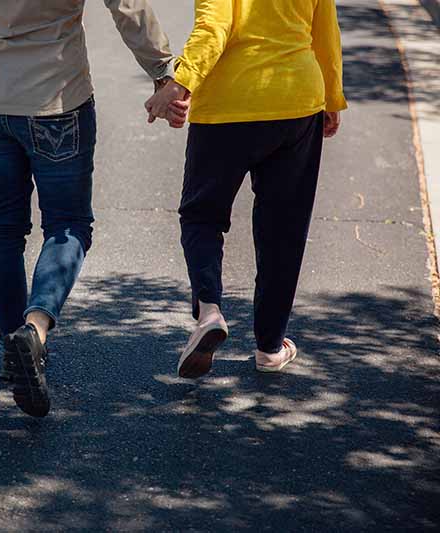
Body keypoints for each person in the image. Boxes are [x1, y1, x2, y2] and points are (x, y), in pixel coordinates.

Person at [0, 0, 188, 417]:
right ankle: (34, 330)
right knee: (67, 226)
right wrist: (164, 72)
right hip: (57, 101)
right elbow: (128, 7)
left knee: (3, 227)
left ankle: (13, 350)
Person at [145, 0, 347, 378]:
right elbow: (326, 34)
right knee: (283, 230)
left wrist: (181, 82)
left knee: (202, 215)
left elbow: (215, 25)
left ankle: (209, 312)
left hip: (227, 105)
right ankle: (270, 347)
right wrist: (332, 96)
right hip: (297, 100)